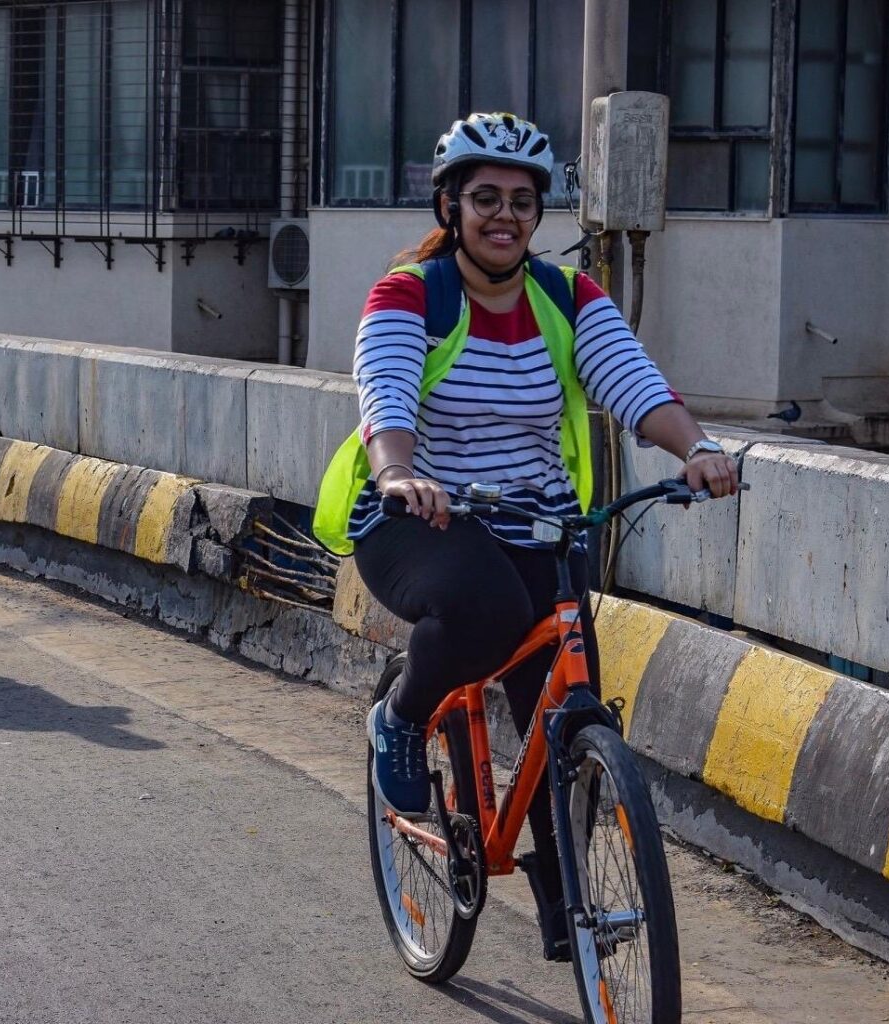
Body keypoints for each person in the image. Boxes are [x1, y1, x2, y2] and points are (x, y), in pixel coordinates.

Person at [315, 112, 738, 961]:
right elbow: (386, 390)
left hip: (536, 519)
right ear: (450, 205)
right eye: (484, 198)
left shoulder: (568, 297)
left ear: (537, 214)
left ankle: (568, 908)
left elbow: (630, 380)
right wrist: (399, 470)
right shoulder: (411, 292)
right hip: (418, 518)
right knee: (484, 605)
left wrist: (696, 446)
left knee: (563, 712)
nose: (503, 215)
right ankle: (400, 721)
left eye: (521, 201)